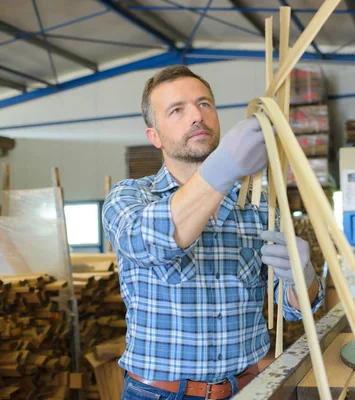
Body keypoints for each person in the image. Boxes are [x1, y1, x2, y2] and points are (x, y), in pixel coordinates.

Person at [102, 65, 324, 400]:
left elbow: (293, 309)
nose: (196, 116)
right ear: (155, 136)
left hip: (248, 388)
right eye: (177, 110)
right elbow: (147, 242)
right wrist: (221, 170)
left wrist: (301, 277)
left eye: (204, 104)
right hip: (159, 394)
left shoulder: (260, 204)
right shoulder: (130, 197)